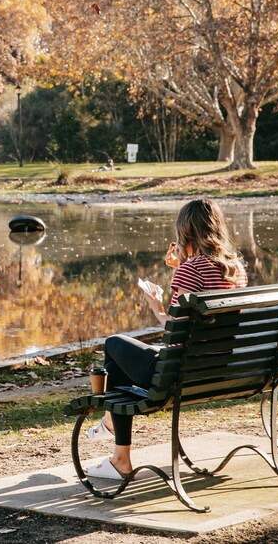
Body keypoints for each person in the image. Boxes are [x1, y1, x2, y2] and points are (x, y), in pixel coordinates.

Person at [83, 198, 248, 479]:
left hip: (177, 373)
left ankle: (116, 441)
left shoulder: (191, 269)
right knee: (121, 359)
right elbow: (198, 317)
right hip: (216, 369)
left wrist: (157, 307)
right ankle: (112, 433)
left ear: (186, 231)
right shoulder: (235, 270)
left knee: (113, 344)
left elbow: (175, 329)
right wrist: (182, 266)